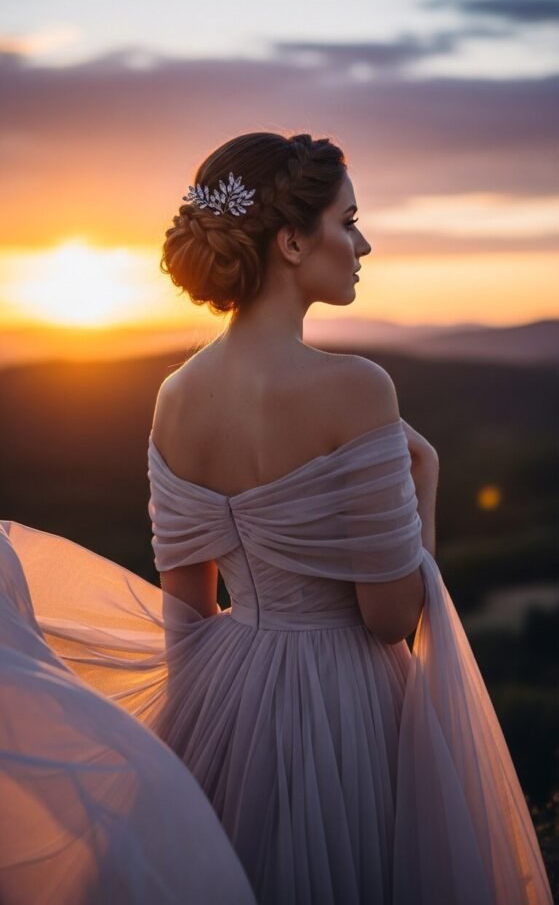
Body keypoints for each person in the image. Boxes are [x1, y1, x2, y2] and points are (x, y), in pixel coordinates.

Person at [0, 131, 552, 904]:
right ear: (292, 241)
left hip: (220, 700)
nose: (362, 243)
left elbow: (186, 616)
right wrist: (424, 477)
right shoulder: (358, 387)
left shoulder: (175, 396)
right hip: (347, 703)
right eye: (347, 220)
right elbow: (390, 617)